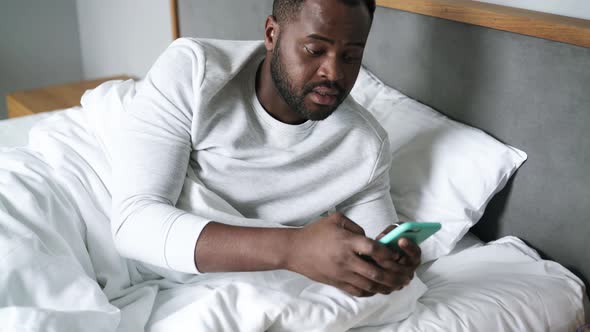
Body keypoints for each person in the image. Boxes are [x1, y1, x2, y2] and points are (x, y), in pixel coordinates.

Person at [111, 0, 421, 298]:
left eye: (351, 56)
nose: (334, 72)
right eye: (315, 50)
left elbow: (372, 241)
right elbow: (134, 222)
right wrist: (293, 248)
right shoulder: (194, 72)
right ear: (272, 34)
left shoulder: (365, 146)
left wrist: (386, 264)